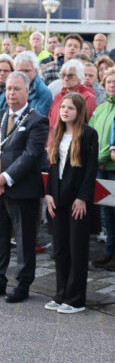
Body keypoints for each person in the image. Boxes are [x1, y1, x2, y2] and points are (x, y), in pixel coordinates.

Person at [0, 71, 49, 303]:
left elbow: (31, 155)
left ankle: (23, 284)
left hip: (22, 191)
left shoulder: (37, 120)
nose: (11, 93)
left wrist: (5, 177)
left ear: (27, 91)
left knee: (25, 241)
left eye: (16, 89)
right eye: (7, 88)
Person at [45, 92, 98, 314]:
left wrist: (83, 198)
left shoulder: (88, 134)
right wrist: (48, 194)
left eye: (71, 108)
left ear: (79, 111)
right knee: (60, 249)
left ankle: (76, 299)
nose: (65, 111)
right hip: (57, 199)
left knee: (77, 249)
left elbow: (90, 169)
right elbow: (52, 167)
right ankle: (61, 294)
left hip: (77, 200)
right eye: (63, 107)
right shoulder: (57, 133)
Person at [92, 69, 115, 271]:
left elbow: (111, 143)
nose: (112, 85)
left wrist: (99, 157)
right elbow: (91, 133)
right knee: (106, 212)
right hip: (100, 168)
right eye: (109, 82)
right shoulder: (101, 108)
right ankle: (109, 252)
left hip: (112, 166)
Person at [47, 60, 97, 134]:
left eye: (70, 76)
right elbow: (49, 121)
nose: (66, 79)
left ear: (80, 76)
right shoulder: (58, 96)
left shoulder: (88, 97)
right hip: (53, 141)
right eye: (63, 75)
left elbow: (85, 125)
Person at [11, 51, 54, 116]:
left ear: (36, 71)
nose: (23, 74)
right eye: (20, 71)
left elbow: (37, 120)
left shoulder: (44, 93)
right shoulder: (10, 87)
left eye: (27, 71)